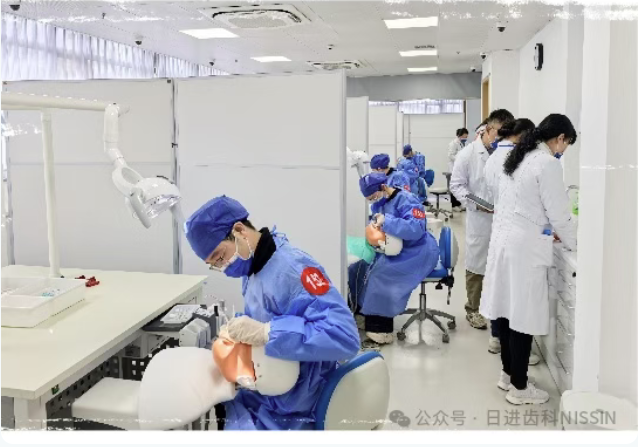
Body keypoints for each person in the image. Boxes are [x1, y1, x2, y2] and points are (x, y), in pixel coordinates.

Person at [184, 196, 360, 430]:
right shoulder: (254, 268)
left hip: (301, 401)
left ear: (239, 231)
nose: (223, 267)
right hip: (271, 388)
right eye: (214, 264)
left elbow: (345, 336)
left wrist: (268, 332)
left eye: (220, 256)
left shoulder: (292, 269)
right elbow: (269, 312)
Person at [480, 114, 577, 405]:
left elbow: (526, 210)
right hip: (523, 251)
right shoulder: (547, 163)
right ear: (560, 138)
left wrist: (548, 231)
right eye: (567, 144)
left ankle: (508, 375)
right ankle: (520, 389)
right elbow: (558, 214)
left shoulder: (519, 157)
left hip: (506, 244)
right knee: (521, 317)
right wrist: (575, 244)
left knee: (507, 312)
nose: (564, 150)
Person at [348, 172, 440, 348]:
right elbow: (378, 220)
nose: (373, 200)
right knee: (360, 267)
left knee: (380, 275)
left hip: (418, 250)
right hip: (396, 246)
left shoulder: (407, 200)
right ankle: (363, 314)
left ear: (383, 187)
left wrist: (387, 221)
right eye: (369, 199)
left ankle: (381, 330)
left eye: (373, 196)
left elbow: (416, 228)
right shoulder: (381, 202)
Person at [450, 109, 514, 330]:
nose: (502, 138)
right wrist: (478, 203)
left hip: (506, 219)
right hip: (481, 218)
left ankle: (499, 310)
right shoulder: (468, 154)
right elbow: (456, 185)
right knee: (476, 266)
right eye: (499, 132)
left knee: (502, 266)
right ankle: (473, 309)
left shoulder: (508, 154)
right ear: (488, 129)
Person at [482, 118, 538, 361]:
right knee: (513, 294)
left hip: (500, 227)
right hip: (514, 230)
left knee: (500, 288)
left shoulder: (494, 158)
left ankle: (498, 339)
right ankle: (514, 351)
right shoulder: (519, 159)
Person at [447, 128, 469, 212]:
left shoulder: (464, 144)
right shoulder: (453, 144)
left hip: (461, 168)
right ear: (459, 135)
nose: (465, 138)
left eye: (466, 137)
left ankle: (459, 204)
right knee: (454, 186)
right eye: (464, 136)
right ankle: (454, 205)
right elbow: (450, 155)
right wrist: (459, 159)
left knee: (461, 186)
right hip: (453, 168)